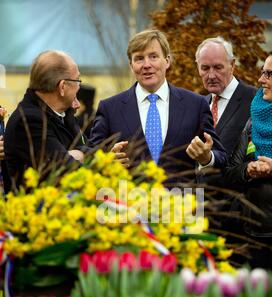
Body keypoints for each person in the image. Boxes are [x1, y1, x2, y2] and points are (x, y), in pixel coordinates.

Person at [89, 29, 227, 186]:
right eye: (139, 59)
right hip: (127, 204)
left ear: (167, 61)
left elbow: (221, 157)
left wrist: (207, 158)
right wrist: (106, 161)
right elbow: (91, 157)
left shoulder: (195, 105)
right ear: (131, 65)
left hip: (182, 205)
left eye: (153, 57)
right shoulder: (109, 108)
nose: (147, 65)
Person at [224, 47, 272, 270]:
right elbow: (232, 171)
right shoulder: (255, 119)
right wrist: (248, 171)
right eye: (262, 72)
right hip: (257, 235)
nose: (260, 79)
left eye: (269, 74)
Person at [4, 50, 88, 192]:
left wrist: (79, 154)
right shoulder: (28, 121)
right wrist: (77, 156)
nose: (79, 86)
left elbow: (92, 148)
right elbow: (67, 169)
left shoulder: (64, 113)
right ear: (62, 87)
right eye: (77, 80)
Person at [195, 36, 256, 163]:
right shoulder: (199, 105)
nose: (211, 76)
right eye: (205, 68)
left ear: (232, 65)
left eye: (218, 67)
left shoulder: (255, 100)